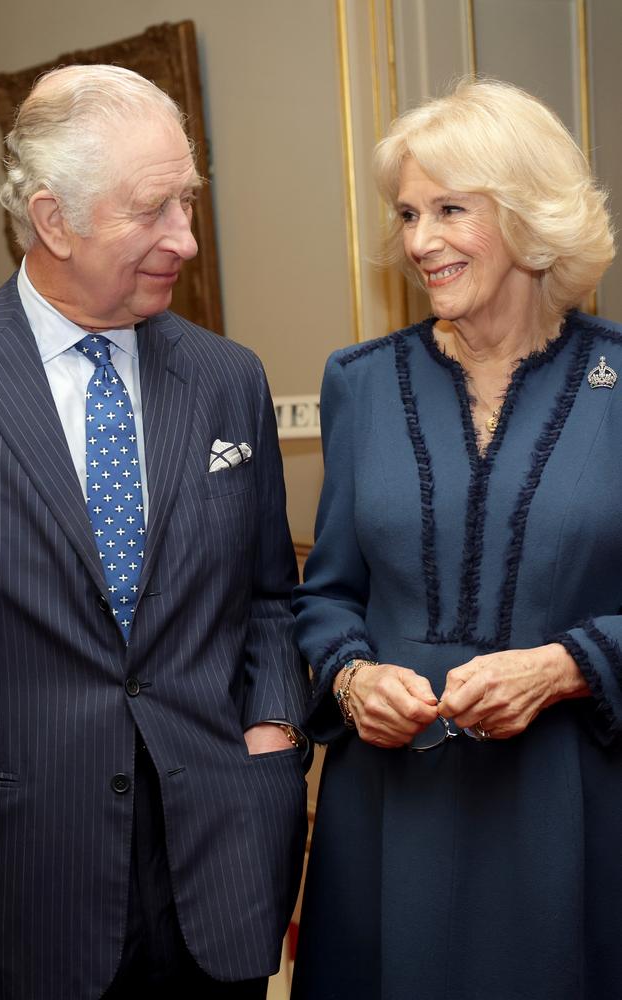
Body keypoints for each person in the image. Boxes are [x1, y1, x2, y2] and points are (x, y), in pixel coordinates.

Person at [0, 64, 309, 1000]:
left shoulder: (226, 379)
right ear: (53, 220)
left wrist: (274, 733)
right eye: (153, 211)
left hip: (218, 870)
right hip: (20, 880)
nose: (187, 240)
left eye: (188, 204)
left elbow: (270, 599)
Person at [291, 78, 621, 1000]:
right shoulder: (358, 382)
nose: (420, 241)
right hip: (392, 807)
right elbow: (325, 597)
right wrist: (354, 680)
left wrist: (567, 666)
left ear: (528, 215)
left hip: (575, 803)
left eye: (449, 210)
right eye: (408, 213)